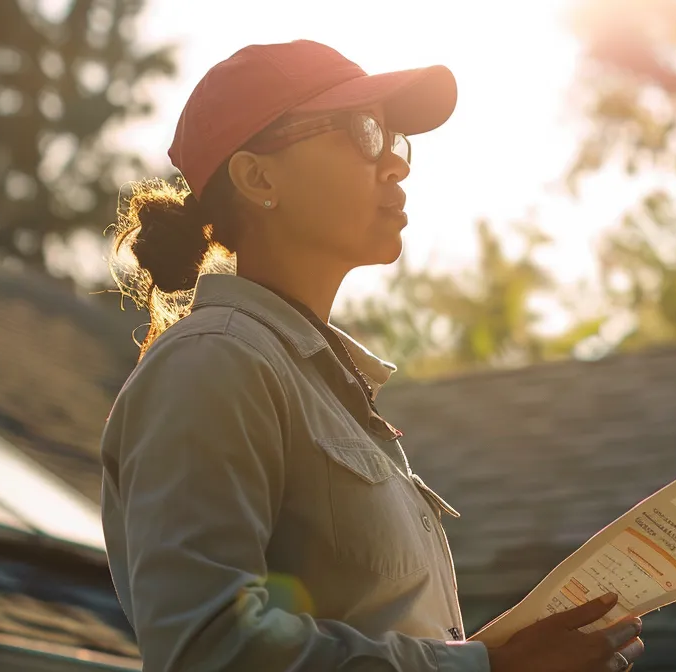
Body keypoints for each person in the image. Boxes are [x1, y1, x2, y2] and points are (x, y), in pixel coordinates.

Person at [99, 40, 647, 672]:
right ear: (257, 177)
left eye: (394, 138)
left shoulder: (319, 385)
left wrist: (506, 658)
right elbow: (207, 650)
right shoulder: (214, 362)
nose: (396, 164)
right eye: (364, 131)